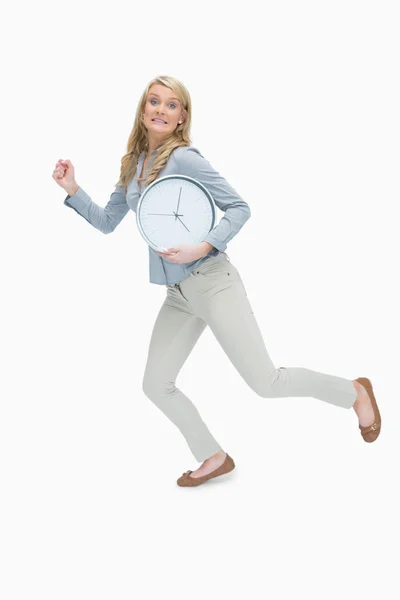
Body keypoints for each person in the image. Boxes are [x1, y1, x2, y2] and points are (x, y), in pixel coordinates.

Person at [53, 75, 382, 488]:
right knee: (155, 383)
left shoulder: (186, 158)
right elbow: (106, 222)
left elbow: (239, 208)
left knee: (266, 382)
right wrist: (73, 188)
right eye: (153, 101)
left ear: (181, 117)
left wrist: (202, 246)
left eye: (171, 105)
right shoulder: (133, 164)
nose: (160, 109)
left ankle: (354, 392)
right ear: (142, 110)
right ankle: (213, 455)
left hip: (212, 279)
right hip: (178, 294)